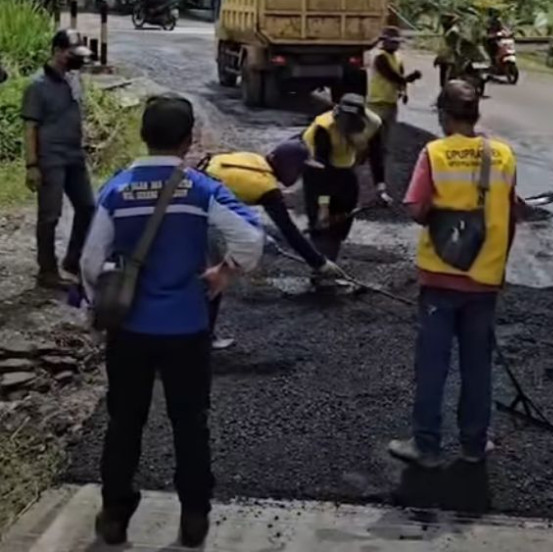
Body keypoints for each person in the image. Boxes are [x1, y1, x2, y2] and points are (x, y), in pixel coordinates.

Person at [81, 95, 264, 547]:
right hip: (186, 329)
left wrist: (101, 299)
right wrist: (223, 273)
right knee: (190, 424)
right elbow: (251, 239)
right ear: (188, 141)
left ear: (144, 136)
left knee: (124, 422)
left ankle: (115, 516)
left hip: (131, 332)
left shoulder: (117, 188)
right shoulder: (202, 189)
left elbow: (89, 260)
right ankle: (194, 518)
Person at [388, 80, 518, 468]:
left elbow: (415, 208)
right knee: (477, 365)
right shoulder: (504, 155)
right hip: (485, 280)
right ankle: (474, 445)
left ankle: (426, 445)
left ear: (444, 115)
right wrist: (498, 267)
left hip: (440, 277)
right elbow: (512, 216)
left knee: (432, 364)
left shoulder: (435, 153)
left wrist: (444, 215)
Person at [201, 139, 344, 345]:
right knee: (215, 276)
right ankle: (204, 338)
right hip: (202, 213)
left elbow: (232, 198)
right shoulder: (267, 187)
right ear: (289, 166)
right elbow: (289, 231)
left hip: (187, 195)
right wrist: (320, 263)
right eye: (299, 170)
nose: (299, 177)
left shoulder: (254, 160)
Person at [22, 29, 95, 289]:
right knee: (50, 216)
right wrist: (31, 165)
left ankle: (73, 259)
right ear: (56, 52)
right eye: (70, 55)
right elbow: (30, 128)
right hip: (50, 158)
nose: (75, 60)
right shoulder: (37, 86)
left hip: (74, 154)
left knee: (88, 207)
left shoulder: (73, 80)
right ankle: (47, 270)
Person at [301, 94, 391, 269]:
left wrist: (381, 188)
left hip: (344, 167)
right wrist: (323, 208)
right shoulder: (324, 127)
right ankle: (320, 269)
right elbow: (322, 172)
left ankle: (329, 260)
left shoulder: (373, 123)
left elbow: (376, 154)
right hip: (316, 170)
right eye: (344, 122)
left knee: (341, 220)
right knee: (321, 225)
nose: (346, 126)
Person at [367, 26, 422, 156]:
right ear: (384, 42)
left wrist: (404, 92)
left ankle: (382, 157)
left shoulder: (397, 57)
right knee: (374, 135)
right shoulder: (380, 57)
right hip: (377, 102)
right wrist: (410, 78)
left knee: (387, 135)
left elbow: (399, 77)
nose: (395, 45)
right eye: (392, 42)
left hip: (391, 101)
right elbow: (393, 76)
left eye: (397, 42)